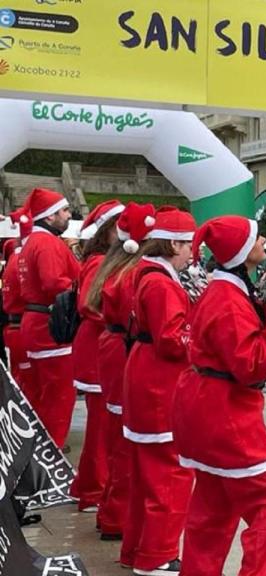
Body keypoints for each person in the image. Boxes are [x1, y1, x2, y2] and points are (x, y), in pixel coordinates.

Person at [174, 216, 266, 576]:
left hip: (202, 406)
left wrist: (264, 311)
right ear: (240, 251)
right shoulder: (228, 299)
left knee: (212, 509)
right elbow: (249, 364)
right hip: (225, 413)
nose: (263, 239)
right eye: (255, 236)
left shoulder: (223, 292)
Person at [121, 208, 197, 576]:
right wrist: (204, 341)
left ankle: (138, 549)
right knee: (170, 472)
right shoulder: (161, 283)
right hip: (158, 382)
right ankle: (158, 555)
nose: (191, 254)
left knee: (145, 475)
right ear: (172, 244)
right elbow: (172, 339)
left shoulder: (144, 274)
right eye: (187, 245)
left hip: (143, 374)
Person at [88, 202, 156, 545]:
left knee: (116, 439)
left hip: (112, 350)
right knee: (123, 445)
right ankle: (116, 516)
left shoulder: (112, 267)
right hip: (123, 353)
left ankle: (110, 512)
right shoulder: (133, 273)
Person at [68, 200, 124, 514]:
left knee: (101, 428)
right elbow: (89, 304)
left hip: (97, 347)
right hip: (96, 351)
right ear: (108, 229)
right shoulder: (98, 261)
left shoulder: (101, 259)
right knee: (101, 429)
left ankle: (88, 486)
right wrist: (123, 318)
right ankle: (92, 490)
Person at [18, 188, 81, 449]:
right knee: (60, 396)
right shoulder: (47, 244)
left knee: (47, 395)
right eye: (64, 211)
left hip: (37, 323)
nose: (68, 216)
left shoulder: (33, 242)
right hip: (50, 328)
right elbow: (55, 282)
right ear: (50, 216)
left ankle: (41, 450)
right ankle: (51, 451)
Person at [3, 210, 34, 403]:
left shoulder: (14, 259)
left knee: (20, 380)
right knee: (27, 386)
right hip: (22, 327)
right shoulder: (22, 259)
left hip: (14, 327)